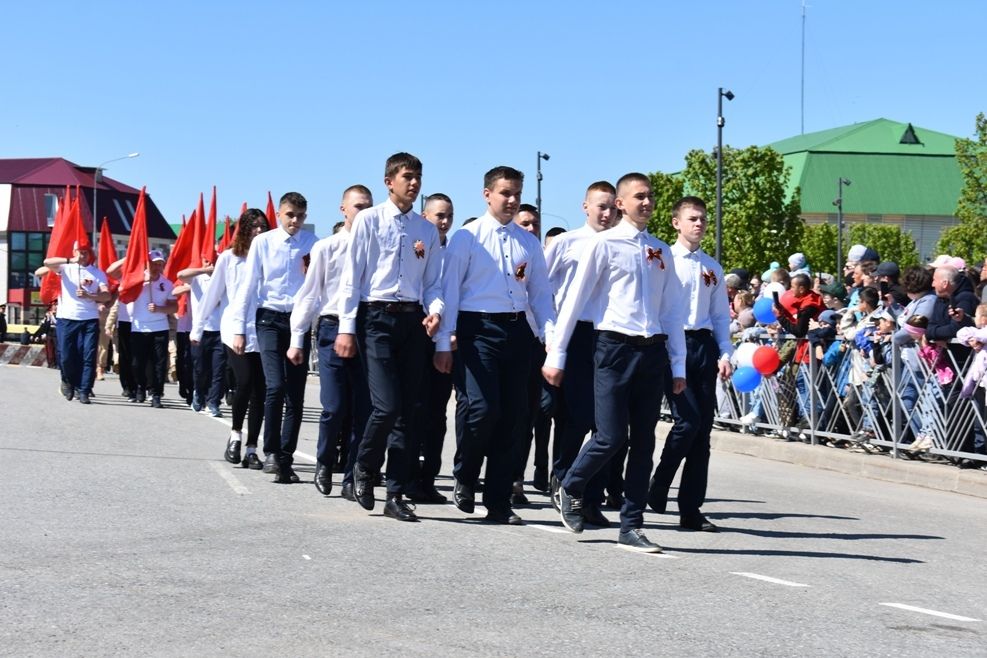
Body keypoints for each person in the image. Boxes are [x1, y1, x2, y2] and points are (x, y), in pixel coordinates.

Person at [543, 172, 687, 553]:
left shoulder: (661, 250)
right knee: (609, 436)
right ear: (621, 203)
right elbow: (573, 300)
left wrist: (678, 365)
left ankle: (632, 524)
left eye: (650, 196)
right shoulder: (604, 245)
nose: (647, 202)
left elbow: (672, 310)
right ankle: (571, 485)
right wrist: (556, 353)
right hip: (612, 347)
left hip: (651, 350)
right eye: (639, 196)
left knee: (643, 443)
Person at [434, 165, 555, 525]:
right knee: (483, 409)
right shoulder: (466, 238)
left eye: (517, 193)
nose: (512, 200)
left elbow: (541, 295)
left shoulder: (528, 242)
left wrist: (550, 338)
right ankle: (465, 475)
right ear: (488, 194)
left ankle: (498, 499)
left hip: (517, 331)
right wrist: (445, 341)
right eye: (505, 193)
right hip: (477, 329)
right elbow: (451, 291)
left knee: (515, 418)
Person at [336, 153, 443, 522]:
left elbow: (432, 282)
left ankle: (396, 492)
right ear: (389, 181)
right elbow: (353, 276)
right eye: (408, 177)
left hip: (412, 321)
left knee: (410, 412)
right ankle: (363, 467)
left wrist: (436, 310)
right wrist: (347, 327)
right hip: (376, 317)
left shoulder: (426, 229)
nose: (414, 184)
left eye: (418, 178)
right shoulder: (368, 220)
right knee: (386, 405)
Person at [648, 196, 732, 532]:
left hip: (703, 345)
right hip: (671, 343)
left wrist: (725, 351)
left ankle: (690, 509)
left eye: (702, 219)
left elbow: (719, 315)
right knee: (688, 422)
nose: (698, 224)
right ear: (676, 223)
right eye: (692, 219)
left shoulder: (712, 266)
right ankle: (660, 482)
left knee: (703, 432)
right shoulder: (663, 259)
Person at [289, 185, 373, 500]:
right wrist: (297, 338)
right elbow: (309, 294)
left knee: (364, 410)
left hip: (367, 330)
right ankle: (325, 462)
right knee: (335, 406)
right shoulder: (328, 247)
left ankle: (352, 476)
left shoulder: (377, 248)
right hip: (331, 327)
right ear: (343, 209)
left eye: (368, 206)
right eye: (357, 206)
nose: (362, 212)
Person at [542, 181, 617, 524]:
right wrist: (552, 333)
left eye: (612, 207)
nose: (606, 213)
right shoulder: (567, 243)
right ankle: (563, 477)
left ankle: (590, 495)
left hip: (609, 335)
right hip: (574, 332)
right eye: (600, 206)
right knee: (576, 416)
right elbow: (542, 287)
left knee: (605, 422)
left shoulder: (620, 244)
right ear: (585, 206)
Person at [231, 192, 317, 483]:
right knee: (274, 385)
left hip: (298, 322)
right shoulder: (263, 242)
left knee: (295, 393)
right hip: (268, 319)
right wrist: (239, 329)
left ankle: (285, 457)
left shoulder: (311, 244)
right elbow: (248, 286)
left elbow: (317, 285)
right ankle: (270, 451)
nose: (295, 220)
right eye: (290, 214)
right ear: (280, 214)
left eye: (300, 216)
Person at [194, 208, 270, 468]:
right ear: (245, 230)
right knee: (245, 381)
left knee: (261, 391)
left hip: (263, 330)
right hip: (234, 330)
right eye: (254, 226)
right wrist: (198, 328)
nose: (259, 231)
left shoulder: (270, 258)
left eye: (263, 226)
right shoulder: (229, 258)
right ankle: (235, 434)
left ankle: (251, 448)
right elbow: (212, 295)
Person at [406, 192, 455, 503]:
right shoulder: (416, 249)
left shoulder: (456, 252)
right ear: (425, 218)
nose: (445, 221)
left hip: (447, 341)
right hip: (417, 336)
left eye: (449, 215)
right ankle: (407, 477)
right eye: (439, 215)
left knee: (438, 414)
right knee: (414, 411)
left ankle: (429, 478)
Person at [43, 241, 112, 404]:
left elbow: (106, 295)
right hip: (67, 318)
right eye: (80, 252)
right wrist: (69, 261)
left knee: (88, 356)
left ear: (90, 254)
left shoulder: (97, 273)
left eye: (86, 252)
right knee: (66, 356)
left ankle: (85, 390)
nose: (83, 255)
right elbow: (47, 263)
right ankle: (68, 381)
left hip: (89, 319)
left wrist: (91, 296)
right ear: (74, 252)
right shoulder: (65, 268)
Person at [125, 250, 178, 408]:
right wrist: (140, 281)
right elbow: (124, 292)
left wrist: (160, 309)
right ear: (146, 264)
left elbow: (174, 306)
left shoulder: (167, 284)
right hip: (139, 327)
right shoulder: (137, 281)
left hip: (159, 327)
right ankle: (141, 386)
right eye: (153, 263)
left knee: (159, 363)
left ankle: (156, 394)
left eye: (159, 264)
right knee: (137, 363)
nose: (156, 267)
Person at [179, 257, 227, 416]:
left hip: (220, 332)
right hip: (200, 331)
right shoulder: (197, 278)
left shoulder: (225, 277)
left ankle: (214, 402)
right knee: (200, 370)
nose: (212, 264)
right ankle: (198, 393)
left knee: (218, 370)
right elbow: (181, 275)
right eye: (208, 260)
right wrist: (204, 270)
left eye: (215, 260)